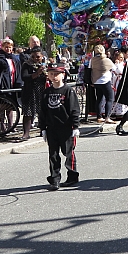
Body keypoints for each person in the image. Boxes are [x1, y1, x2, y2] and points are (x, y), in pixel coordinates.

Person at [39, 62, 81, 191]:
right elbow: (43, 111)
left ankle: (72, 176)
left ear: (63, 75)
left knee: (68, 153)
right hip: (52, 128)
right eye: (51, 74)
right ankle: (55, 179)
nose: (54, 76)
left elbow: (74, 109)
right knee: (53, 155)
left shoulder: (68, 91)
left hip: (66, 128)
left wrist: (75, 126)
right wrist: (43, 128)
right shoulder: (47, 92)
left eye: (57, 74)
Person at [0, 39, 23, 132]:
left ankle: (11, 125)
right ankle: (2, 125)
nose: (8, 49)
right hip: (2, 84)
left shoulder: (14, 58)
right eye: (6, 47)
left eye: (10, 47)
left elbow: (18, 70)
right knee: (2, 105)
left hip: (12, 83)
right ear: (2, 47)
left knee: (10, 105)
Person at [20, 47, 47, 140]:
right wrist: (37, 73)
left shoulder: (46, 65)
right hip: (30, 90)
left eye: (38, 56)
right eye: (33, 56)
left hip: (42, 90)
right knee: (28, 112)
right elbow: (24, 77)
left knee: (42, 111)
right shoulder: (26, 64)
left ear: (42, 56)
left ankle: (42, 130)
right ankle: (26, 133)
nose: (35, 58)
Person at [89, 45, 116, 124]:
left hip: (96, 81)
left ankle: (99, 117)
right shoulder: (106, 60)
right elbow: (114, 69)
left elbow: (90, 68)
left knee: (99, 99)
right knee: (110, 99)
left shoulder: (92, 60)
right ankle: (107, 117)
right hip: (105, 81)